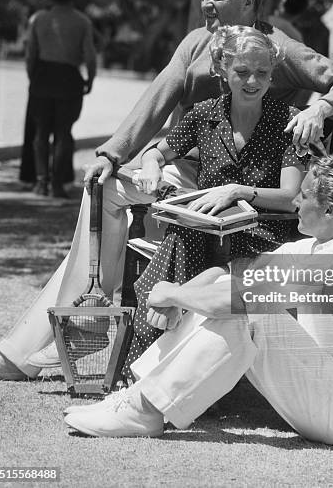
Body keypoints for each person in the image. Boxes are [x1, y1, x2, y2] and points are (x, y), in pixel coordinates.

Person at [0, 0, 333, 382]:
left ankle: (60, 341)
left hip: (249, 184)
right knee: (103, 187)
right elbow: (156, 99)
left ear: (248, 3)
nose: (206, 3)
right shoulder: (195, 42)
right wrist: (114, 154)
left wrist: (322, 105)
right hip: (188, 168)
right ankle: (94, 318)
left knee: (153, 220)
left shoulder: (276, 48)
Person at [62, 154, 333, 444]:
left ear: (328, 209)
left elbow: (241, 302)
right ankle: (140, 396)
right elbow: (231, 270)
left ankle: (145, 410)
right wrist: (182, 299)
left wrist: (173, 293)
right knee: (230, 290)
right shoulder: (320, 247)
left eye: (304, 195)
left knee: (253, 314)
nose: (295, 201)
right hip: (325, 385)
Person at [124, 25, 307, 368]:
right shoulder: (204, 113)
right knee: (183, 235)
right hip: (205, 234)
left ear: (272, 75)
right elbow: (156, 153)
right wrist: (151, 167)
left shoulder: (289, 121)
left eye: (262, 73)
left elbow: (292, 197)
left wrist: (239, 191)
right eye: (242, 72)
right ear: (223, 70)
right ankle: (157, 363)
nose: (252, 81)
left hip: (260, 238)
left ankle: (146, 366)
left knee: (177, 253)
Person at [25, 0, 97, 198]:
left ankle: (40, 182)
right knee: (64, 133)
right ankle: (57, 183)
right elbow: (90, 57)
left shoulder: (37, 19)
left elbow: (30, 55)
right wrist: (90, 79)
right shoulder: (82, 21)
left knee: (41, 133)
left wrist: (33, 78)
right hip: (69, 79)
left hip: (42, 77)